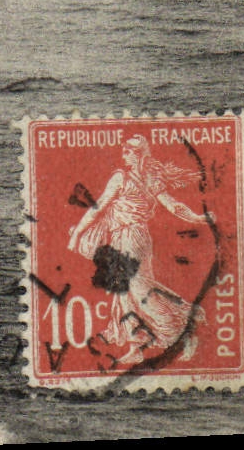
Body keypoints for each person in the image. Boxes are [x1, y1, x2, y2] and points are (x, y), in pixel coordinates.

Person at [67, 134, 211, 365]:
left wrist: (76, 234)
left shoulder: (121, 178)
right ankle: (137, 346)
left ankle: (183, 331)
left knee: (139, 290)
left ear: (140, 154)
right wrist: (196, 216)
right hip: (131, 238)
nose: (124, 154)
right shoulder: (148, 179)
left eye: (129, 151)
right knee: (125, 293)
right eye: (124, 150)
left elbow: (98, 208)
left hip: (129, 238)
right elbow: (173, 206)